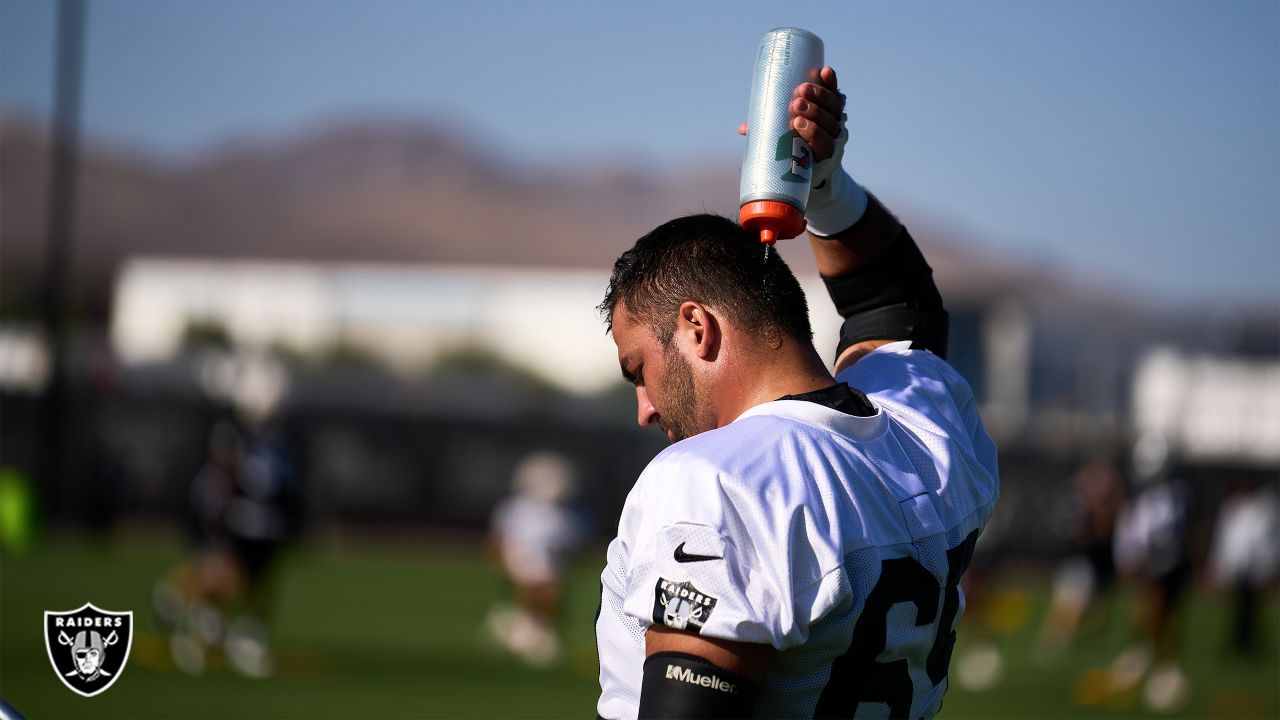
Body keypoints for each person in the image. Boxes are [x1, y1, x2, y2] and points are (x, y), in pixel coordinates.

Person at [594, 65, 1000, 719]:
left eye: (639, 370)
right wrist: (827, 186)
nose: (644, 409)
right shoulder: (930, 422)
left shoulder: (715, 479)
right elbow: (897, 301)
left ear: (697, 328)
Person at [485, 451, 588, 667]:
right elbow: (500, 537)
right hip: (523, 557)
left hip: (550, 560)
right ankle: (528, 633)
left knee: (551, 599)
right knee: (537, 592)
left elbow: (570, 543)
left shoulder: (563, 514)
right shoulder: (516, 508)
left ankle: (528, 630)